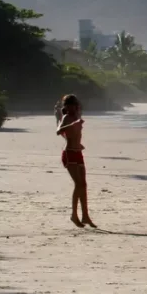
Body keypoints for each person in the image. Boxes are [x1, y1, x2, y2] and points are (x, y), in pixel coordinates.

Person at [56, 94, 96, 228]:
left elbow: (71, 134)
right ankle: (74, 215)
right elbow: (59, 131)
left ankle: (85, 215)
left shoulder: (77, 117)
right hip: (69, 154)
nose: (74, 107)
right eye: (71, 105)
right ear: (67, 106)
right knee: (78, 184)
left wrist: (79, 143)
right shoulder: (67, 118)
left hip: (78, 153)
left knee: (83, 185)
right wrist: (73, 125)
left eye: (75, 104)